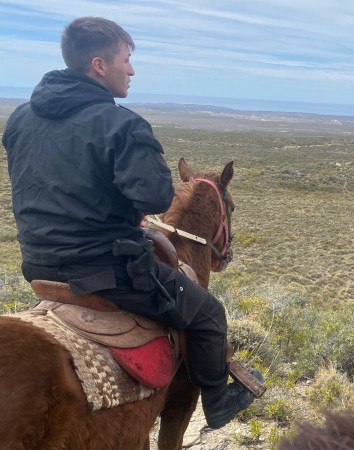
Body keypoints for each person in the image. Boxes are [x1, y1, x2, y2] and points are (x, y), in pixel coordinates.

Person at [1, 16, 260, 429]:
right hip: (108, 272)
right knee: (209, 313)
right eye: (127, 59)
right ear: (99, 65)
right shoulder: (121, 124)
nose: (132, 70)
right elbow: (156, 197)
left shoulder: (20, 119)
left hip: (39, 267)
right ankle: (218, 400)